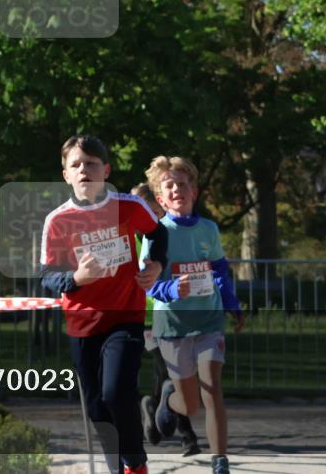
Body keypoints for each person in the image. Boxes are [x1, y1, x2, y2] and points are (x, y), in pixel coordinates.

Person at [40, 135, 169, 474]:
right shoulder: (57, 220)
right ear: (66, 174)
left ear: (106, 170)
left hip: (124, 316)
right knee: (97, 407)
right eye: (76, 165)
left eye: (92, 164)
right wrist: (76, 279)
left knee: (115, 392)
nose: (84, 170)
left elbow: (158, 233)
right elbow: (47, 275)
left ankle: (135, 464)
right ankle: (117, 466)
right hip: (82, 323)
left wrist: (156, 263)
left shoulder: (129, 206)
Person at [143, 157, 244, 474]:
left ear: (194, 191)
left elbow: (220, 270)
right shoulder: (156, 233)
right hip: (173, 325)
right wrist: (173, 289)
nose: (177, 189)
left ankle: (220, 461)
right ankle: (167, 398)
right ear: (160, 198)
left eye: (182, 184)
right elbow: (148, 283)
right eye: (169, 185)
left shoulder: (208, 229)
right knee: (190, 405)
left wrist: (231, 303)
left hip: (209, 321)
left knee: (212, 389)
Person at [130, 183, 200, 457]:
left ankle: (156, 412)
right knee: (171, 373)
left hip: (170, 312)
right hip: (144, 315)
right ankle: (186, 434)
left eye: (148, 210)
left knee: (168, 373)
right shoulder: (132, 238)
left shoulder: (164, 234)